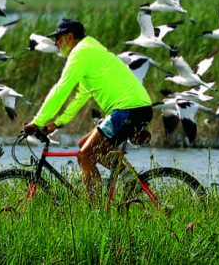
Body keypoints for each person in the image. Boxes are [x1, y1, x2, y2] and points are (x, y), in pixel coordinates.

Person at [23, 18, 153, 196]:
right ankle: (130, 180)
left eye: (58, 38)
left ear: (70, 37)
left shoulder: (81, 53)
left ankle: (95, 214)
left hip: (127, 110)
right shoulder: (91, 51)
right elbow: (80, 97)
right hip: (136, 108)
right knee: (84, 145)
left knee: (85, 155)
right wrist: (59, 123)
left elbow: (61, 89)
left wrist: (38, 121)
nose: (56, 43)